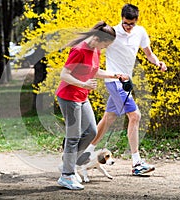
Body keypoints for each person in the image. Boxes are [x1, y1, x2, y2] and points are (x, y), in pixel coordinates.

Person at [84, 4, 167, 176]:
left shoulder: (140, 32)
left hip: (126, 82)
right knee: (135, 116)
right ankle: (137, 163)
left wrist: (158, 62)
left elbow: (148, 53)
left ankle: (84, 153)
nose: (128, 27)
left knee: (108, 118)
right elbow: (94, 48)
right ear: (121, 18)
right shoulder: (112, 34)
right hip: (114, 82)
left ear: (137, 21)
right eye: (126, 23)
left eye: (132, 24)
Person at [56, 21, 128, 190]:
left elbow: (94, 70)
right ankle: (66, 175)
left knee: (91, 132)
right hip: (68, 97)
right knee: (73, 136)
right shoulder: (79, 50)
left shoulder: (95, 50)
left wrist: (115, 75)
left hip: (82, 96)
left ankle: (68, 163)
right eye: (105, 44)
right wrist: (83, 84)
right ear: (96, 38)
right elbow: (64, 74)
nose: (104, 48)